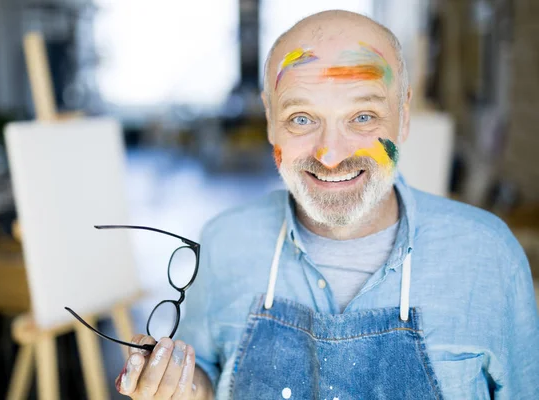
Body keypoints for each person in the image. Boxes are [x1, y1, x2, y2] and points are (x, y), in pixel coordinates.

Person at [114, 10, 539, 399]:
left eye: (362, 117)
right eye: (302, 119)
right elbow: (203, 372)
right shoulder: (225, 241)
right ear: (270, 119)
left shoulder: (487, 255)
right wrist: (180, 386)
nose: (330, 155)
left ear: (404, 115)